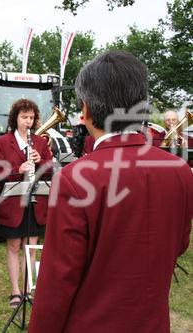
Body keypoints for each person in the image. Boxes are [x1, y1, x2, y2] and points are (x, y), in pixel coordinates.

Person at [28, 51, 193, 332]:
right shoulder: (179, 170)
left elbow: (58, 281)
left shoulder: (73, 179)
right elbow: (178, 245)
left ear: (87, 111)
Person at [0, 99, 52, 308]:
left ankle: (28, 289)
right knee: (14, 245)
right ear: (15, 118)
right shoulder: (2, 142)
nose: (28, 121)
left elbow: (50, 169)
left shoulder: (41, 142)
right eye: (24, 117)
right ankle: (15, 291)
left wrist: (39, 161)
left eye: (31, 117)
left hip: (36, 201)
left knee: (31, 247)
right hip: (13, 201)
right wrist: (19, 169)